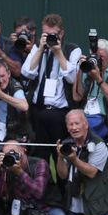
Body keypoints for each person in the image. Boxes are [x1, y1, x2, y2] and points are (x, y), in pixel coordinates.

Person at [72, 39, 108, 212]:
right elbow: (77, 97)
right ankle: (84, 206)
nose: (98, 60)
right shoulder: (88, 69)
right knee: (84, 167)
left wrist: (99, 79)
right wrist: (79, 70)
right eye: (96, 57)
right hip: (88, 126)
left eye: (101, 58)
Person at [21, 13, 81, 168]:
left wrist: (58, 52)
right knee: (40, 160)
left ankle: (64, 191)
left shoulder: (72, 50)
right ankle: (44, 190)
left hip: (60, 113)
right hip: (37, 111)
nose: (48, 38)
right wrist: (41, 48)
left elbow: (72, 78)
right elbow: (27, 72)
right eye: (45, 34)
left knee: (61, 156)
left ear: (61, 33)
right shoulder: (38, 48)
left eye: (52, 34)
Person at [56, 110, 108, 215]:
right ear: (67, 128)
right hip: (76, 202)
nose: (74, 127)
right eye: (70, 124)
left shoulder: (99, 144)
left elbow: (92, 172)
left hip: (95, 201)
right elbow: (62, 174)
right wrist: (60, 157)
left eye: (77, 123)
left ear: (86, 124)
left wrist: (74, 159)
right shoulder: (67, 144)